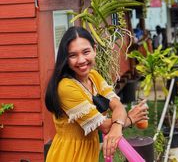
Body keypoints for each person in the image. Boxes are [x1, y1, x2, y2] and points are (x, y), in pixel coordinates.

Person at [45, 26, 148, 162]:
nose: (81, 60)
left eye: (86, 52)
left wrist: (117, 126)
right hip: (69, 155)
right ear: (66, 58)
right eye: (73, 55)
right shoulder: (66, 87)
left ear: (95, 49)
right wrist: (128, 119)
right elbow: (103, 125)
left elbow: (117, 105)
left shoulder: (93, 76)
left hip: (89, 153)